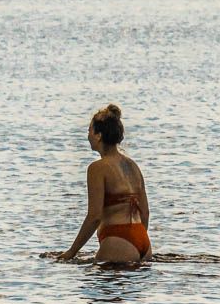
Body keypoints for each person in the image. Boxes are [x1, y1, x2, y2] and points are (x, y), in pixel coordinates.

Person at [57, 104, 151, 264]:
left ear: (98, 135)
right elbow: (145, 213)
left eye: (89, 130)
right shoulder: (132, 165)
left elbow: (94, 216)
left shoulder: (97, 168)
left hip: (118, 239)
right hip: (143, 240)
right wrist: (136, 240)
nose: (88, 135)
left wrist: (71, 252)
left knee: (98, 286)